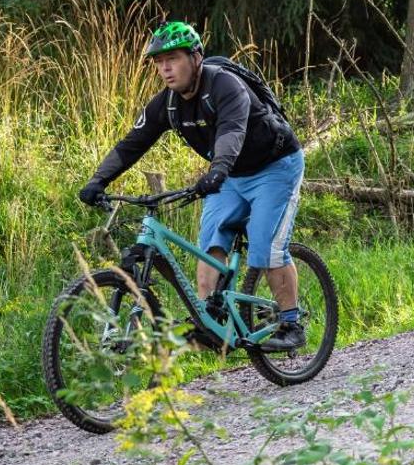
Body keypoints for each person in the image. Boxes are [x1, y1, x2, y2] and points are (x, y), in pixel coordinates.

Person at [77, 21, 308, 350]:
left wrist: (217, 170)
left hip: (275, 166)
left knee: (265, 247)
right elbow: (132, 143)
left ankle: (291, 324)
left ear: (196, 57)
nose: (165, 68)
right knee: (211, 246)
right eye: (158, 62)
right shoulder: (167, 104)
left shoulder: (226, 86)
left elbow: (231, 131)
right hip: (229, 175)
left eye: (172, 58)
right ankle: (211, 327)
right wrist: (98, 179)